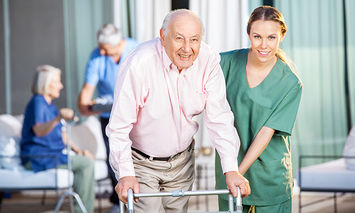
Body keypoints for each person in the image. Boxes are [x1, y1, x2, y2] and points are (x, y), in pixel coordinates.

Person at [106, 9, 250, 213]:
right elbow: (118, 127)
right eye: (179, 39)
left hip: (182, 163)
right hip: (141, 163)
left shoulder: (208, 60)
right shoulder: (139, 63)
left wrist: (231, 170)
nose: (187, 48)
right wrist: (126, 174)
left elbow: (220, 119)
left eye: (194, 40)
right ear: (163, 37)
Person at [215, 6, 302, 213]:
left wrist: (236, 173)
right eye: (257, 36)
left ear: (281, 36)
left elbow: (266, 132)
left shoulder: (290, 82)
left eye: (271, 38)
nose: (264, 45)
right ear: (248, 34)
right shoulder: (225, 63)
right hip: (229, 172)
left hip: (269, 179)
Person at [77, 23, 138, 212]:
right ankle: (119, 202)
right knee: (115, 159)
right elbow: (84, 99)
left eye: (106, 49)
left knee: (137, 156)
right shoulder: (97, 56)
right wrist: (90, 106)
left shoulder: (136, 50)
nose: (102, 52)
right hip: (109, 116)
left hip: (136, 114)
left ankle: (138, 199)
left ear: (120, 42)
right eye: (100, 48)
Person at [21, 65, 95, 213]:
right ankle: (82, 211)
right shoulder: (37, 102)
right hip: (39, 158)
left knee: (85, 161)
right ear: (46, 83)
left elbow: (62, 135)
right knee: (86, 164)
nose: (61, 86)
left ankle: (80, 209)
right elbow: (39, 130)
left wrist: (78, 150)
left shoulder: (50, 105)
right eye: (58, 82)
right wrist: (58, 118)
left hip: (52, 155)